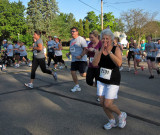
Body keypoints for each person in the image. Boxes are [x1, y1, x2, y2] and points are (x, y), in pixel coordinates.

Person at [92, 28, 127, 130]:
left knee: (108, 104)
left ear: (111, 39)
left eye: (107, 38)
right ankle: (112, 120)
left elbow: (119, 63)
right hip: (101, 79)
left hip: (113, 80)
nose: (105, 41)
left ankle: (121, 115)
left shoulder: (116, 49)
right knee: (102, 103)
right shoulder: (99, 50)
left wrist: (109, 52)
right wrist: (101, 50)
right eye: (103, 39)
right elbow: (94, 63)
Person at [66, 27, 88, 92]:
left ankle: (92, 76)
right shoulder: (72, 41)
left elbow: (86, 49)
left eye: (73, 31)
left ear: (77, 32)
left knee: (82, 74)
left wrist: (81, 56)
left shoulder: (81, 39)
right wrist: (69, 53)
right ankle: (77, 86)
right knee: (72, 72)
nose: (72, 32)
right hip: (74, 60)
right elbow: (72, 49)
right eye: (71, 31)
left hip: (81, 60)